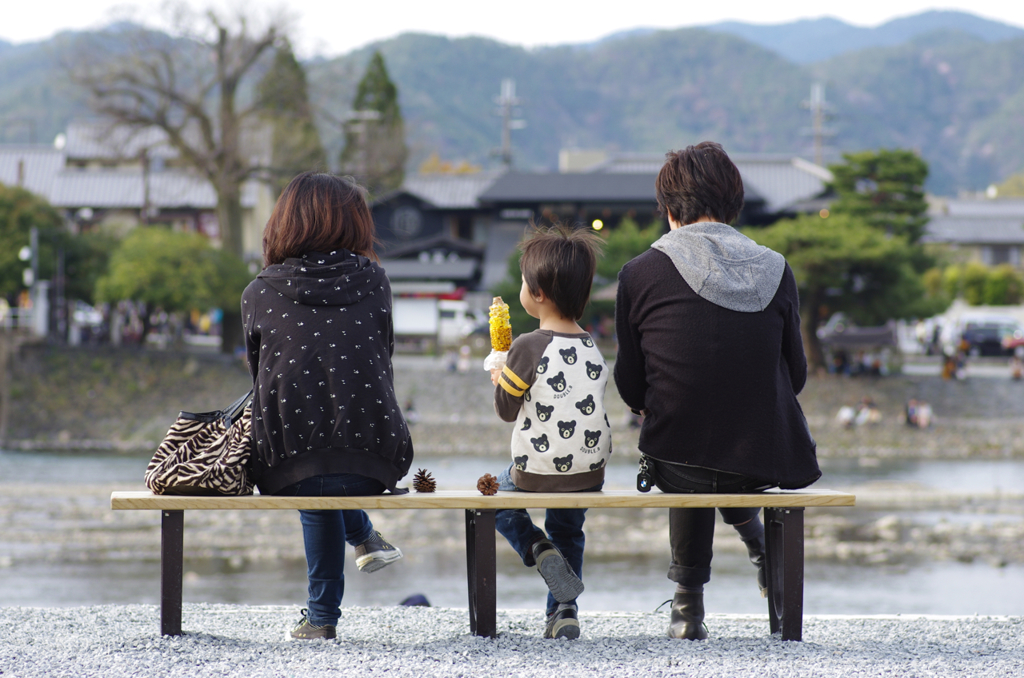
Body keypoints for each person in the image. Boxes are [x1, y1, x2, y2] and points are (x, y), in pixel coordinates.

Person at [614, 142, 820, 640]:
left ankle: (688, 607)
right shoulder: (776, 267)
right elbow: (795, 376)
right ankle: (759, 548)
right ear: (735, 203)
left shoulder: (639, 272)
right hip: (762, 455)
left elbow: (629, 384)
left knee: (691, 447)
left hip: (677, 457)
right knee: (725, 442)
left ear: (669, 209)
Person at [241, 172, 414, 640]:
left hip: (283, 463)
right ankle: (363, 536)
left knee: (311, 469)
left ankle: (321, 617)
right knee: (326, 462)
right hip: (376, 458)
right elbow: (383, 355)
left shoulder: (259, 292)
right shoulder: (375, 281)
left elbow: (261, 377)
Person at [489, 223, 612, 640]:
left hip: (535, 473)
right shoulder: (593, 346)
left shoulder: (528, 345)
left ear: (537, 293)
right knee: (569, 530)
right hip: (587, 475)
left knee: (494, 495)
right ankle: (564, 612)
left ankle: (535, 547)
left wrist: (502, 378)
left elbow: (507, 411)